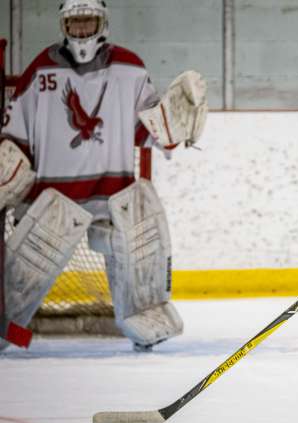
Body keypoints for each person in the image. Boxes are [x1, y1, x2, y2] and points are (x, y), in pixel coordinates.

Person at [0, 0, 207, 352]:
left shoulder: (131, 69)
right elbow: (15, 136)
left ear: (103, 23)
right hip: (51, 200)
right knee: (17, 288)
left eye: (88, 21)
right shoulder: (40, 70)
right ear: (63, 26)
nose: (81, 30)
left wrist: (173, 126)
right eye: (74, 23)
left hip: (113, 199)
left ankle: (144, 318)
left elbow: (148, 131)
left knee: (141, 234)